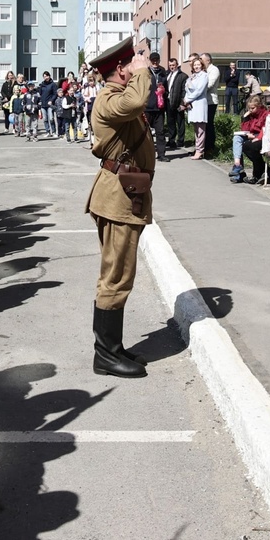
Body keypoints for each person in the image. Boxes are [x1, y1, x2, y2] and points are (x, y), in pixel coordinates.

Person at [84, 38, 155, 379]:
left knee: (121, 274)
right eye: (133, 64)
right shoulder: (108, 99)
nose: (140, 66)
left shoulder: (119, 97)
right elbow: (137, 99)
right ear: (120, 69)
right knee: (116, 277)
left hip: (125, 193)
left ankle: (114, 346)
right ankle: (105, 354)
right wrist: (142, 75)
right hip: (117, 198)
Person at [229, 94, 268, 184]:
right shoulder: (250, 115)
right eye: (249, 108)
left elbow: (265, 128)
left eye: (253, 108)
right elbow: (244, 129)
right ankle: (238, 165)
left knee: (247, 146)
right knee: (237, 138)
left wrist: (257, 137)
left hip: (260, 136)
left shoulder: (264, 114)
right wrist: (245, 118)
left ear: (259, 106)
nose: (250, 110)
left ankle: (241, 173)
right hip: (251, 135)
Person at [182, 56, 210, 158]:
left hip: (199, 104)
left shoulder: (204, 76)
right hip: (192, 105)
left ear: (202, 65)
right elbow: (187, 89)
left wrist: (188, 99)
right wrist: (185, 99)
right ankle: (197, 149)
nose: (196, 67)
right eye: (195, 65)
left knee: (201, 129)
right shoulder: (192, 76)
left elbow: (199, 90)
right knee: (196, 129)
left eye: (198, 64)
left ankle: (200, 150)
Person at [144, 52, 168, 162]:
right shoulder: (146, 72)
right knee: (144, 132)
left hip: (159, 107)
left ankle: (161, 154)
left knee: (160, 131)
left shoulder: (163, 73)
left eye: (157, 60)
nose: (155, 62)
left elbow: (167, 89)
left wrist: (163, 92)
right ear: (150, 60)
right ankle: (144, 154)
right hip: (148, 107)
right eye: (153, 60)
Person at [164, 57, 188, 150]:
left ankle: (180, 141)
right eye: (170, 65)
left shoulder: (183, 76)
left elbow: (184, 91)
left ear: (177, 65)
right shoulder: (167, 74)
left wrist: (183, 103)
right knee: (170, 122)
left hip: (178, 102)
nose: (172, 67)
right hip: (169, 101)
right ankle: (171, 140)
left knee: (180, 122)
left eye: (173, 65)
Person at [202, 53, 221, 157]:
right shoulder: (203, 70)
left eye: (202, 59)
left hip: (210, 101)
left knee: (209, 124)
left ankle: (210, 148)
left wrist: (198, 89)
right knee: (203, 124)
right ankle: (202, 147)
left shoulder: (214, 70)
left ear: (208, 60)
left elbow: (210, 84)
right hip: (203, 101)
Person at [38, 71, 58, 137]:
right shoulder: (42, 85)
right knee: (45, 119)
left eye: (47, 76)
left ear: (49, 76)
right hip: (43, 104)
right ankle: (47, 132)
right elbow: (39, 94)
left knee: (51, 118)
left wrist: (51, 100)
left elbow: (55, 94)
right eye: (44, 76)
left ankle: (54, 131)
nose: (46, 77)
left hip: (50, 104)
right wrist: (40, 101)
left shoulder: (53, 84)